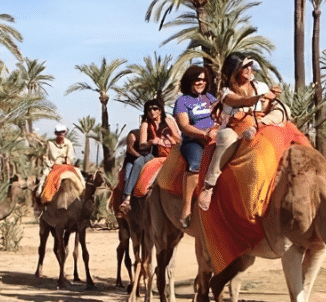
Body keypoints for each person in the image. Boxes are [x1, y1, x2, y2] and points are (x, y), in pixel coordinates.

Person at [198, 53, 284, 211]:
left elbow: (269, 105)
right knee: (225, 137)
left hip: (260, 124)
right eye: (244, 66)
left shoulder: (261, 86)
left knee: (282, 111)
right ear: (235, 69)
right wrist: (258, 98)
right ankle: (209, 185)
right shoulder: (226, 91)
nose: (249, 69)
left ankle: (258, 127)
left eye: (250, 65)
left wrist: (272, 98)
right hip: (236, 129)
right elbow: (238, 101)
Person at [173, 65, 218, 228]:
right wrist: (204, 134)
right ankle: (186, 208)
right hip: (193, 140)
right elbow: (184, 125)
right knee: (195, 166)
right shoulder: (182, 101)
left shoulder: (211, 99)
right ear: (189, 80)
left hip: (215, 136)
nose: (201, 83)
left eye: (204, 79)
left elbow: (221, 116)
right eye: (197, 79)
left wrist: (215, 129)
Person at [118, 99, 180, 215]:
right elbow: (142, 145)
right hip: (154, 155)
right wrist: (152, 142)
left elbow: (178, 139)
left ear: (160, 110)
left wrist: (166, 140)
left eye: (155, 109)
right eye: (149, 109)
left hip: (171, 153)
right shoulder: (146, 125)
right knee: (138, 163)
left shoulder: (168, 121)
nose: (152, 111)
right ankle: (127, 197)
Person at [37, 124, 76, 202]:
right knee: (45, 177)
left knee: (81, 179)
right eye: (59, 132)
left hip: (66, 166)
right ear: (56, 133)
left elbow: (70, 157)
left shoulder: (69, 144)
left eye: (63, 132)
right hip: (52, 165)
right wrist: (49, 164)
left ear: (65, 133)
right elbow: (45, 156)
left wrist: (66, 161)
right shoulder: (50, 144)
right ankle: (42, 196)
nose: (61, 134)